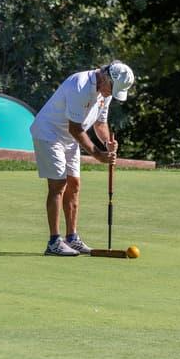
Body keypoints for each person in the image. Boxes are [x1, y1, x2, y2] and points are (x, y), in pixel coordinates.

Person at [29, 60, 135, 255]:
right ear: (105, 76)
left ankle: (72, 238)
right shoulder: (80, 85)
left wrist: (107, 144)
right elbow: (75, 128)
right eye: (111, 88)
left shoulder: (106, 91)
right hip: (49, 133)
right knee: (58, 184)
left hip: (69, 138)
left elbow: (100, 123)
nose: (111, 93)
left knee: (74, 184)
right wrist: (98, 155)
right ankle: (54, 242)